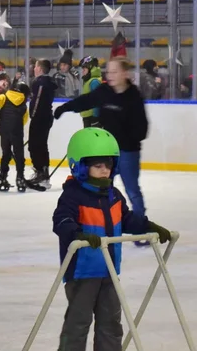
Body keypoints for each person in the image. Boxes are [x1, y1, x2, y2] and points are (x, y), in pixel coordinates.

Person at [52, 127, 171, 351]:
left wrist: (148, 226)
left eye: (108, 165)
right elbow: (61, 221)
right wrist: (78, 234)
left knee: (110, 318)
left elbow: (126, 219)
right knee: (79, 319)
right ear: (80, 167)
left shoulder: (113, 195)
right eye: (97, 166)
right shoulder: (73, 195)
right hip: (82, 271)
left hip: (108, 270)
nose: (104, 170)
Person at [54, 58, 150, 246]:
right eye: (108, 72)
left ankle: (140, 229)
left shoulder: (134, 96)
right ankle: (106, 226)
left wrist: (125, 135)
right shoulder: (104, 92)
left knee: (132, 191)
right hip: (108, 153)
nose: (110, 75)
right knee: (103, 190)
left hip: (128, 153)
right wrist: (65, 108)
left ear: (125, 74)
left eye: (114, 72)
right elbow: (86, 101)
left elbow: (142, 129)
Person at [0, 79, 30, 192]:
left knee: (6, 155)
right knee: (19, 156)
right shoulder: (24, 105)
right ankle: (20, 178)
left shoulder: (4, 98)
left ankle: (2, 177)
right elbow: (24, 120)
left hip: (4, 132)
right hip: (17, 132)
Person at [28, 59, 57, 189]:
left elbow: (37, 101)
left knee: (35, 146)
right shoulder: (46, 82)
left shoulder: (40, 83)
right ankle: (42, 172)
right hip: (45, 117)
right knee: (40, 145)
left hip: (40, 118)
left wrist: (33, 115)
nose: (33, 69)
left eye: (35, 66)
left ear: (39, 68)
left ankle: (41, 173)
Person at [78, 56, 102, 128]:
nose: (83, 71)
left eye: (84, 69)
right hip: (88, 116)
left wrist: (95, 119)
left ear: (91, 68)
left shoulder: (94, 82)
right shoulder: (89, 81)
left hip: (91, 117)